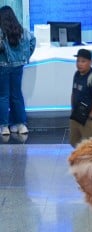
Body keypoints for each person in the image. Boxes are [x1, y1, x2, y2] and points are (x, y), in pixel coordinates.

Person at [0, 6, 35, 136]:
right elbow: (33, 41)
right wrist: (25, 56)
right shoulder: (20, 30)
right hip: (18, 66)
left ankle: (4, 127)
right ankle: (21, 125)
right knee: (17, 95)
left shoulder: (1, 31)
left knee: (3, 96)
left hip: (2, 66)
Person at [69, 49, 92, 147]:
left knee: (87, 146)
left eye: (83, 61)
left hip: (89, 119)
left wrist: (91, 116)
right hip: (77, 115)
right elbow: (74, 92)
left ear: (90, 62)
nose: (79, 64)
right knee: (74, 142)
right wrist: (73, 110)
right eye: (78, 61)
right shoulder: (77, 74)